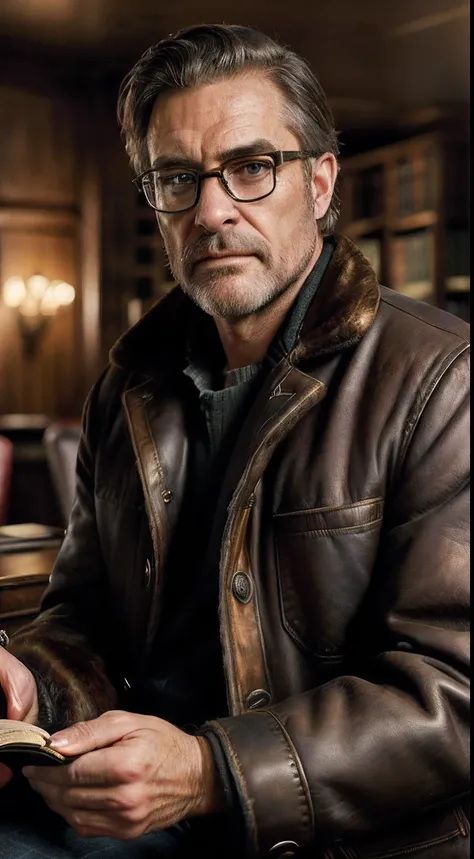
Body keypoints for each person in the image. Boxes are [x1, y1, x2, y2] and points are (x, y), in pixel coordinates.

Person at [0, 23, 469, 859]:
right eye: (177, 178)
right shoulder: (128, 381)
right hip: (131, 808)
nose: (212, 210)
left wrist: (210, 769)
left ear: (320, 182)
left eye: (252, 167)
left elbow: (454, 694)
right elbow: (83, 613)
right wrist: (35, 684)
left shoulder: (444, 379)